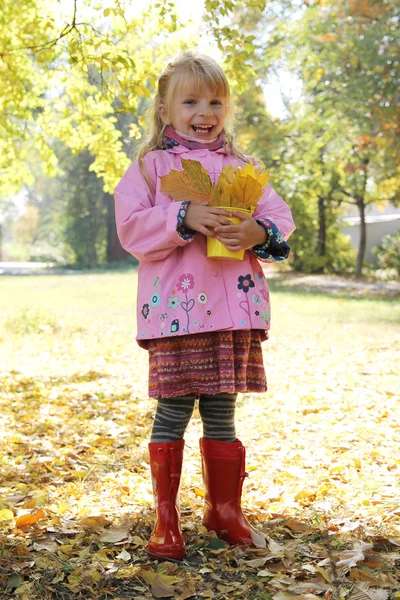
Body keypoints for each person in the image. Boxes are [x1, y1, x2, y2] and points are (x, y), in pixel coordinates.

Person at [114, 50, 295, 561]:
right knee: (173, 408)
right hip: (178, 311)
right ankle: (165, 519)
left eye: (215, 101)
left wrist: (257, 229)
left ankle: (224, 510)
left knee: (221, 409)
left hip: (233, 308)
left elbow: (279, 215)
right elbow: (131, 230)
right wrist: (183, 215)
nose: (204, 111)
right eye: (190, 100)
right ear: (166, 110)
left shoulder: (244, 168)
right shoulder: (150, 169)